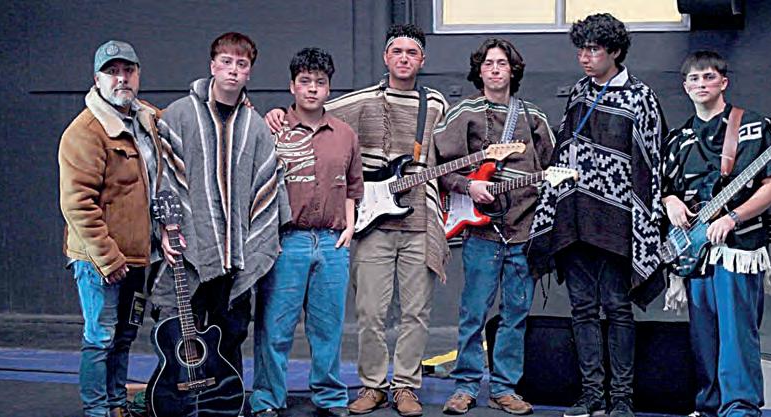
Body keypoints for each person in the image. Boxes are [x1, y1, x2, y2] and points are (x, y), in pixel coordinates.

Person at [265, 23, 449, 417]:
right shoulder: (361, 100)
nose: (403, 58)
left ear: (422, 60)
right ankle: (373, 385)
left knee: (416, 312)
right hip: (372, 223)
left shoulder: (435, 104)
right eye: (396, 51)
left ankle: (406, 386)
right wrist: (277, 113)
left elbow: (447, 153)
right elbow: (314, 111)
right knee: (370, 312)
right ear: (385, 57)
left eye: (412, 52)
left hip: (419, 221)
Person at [526, 13, 667, 417]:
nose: (585, 58)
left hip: (618, 223)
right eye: (581, 51)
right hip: (575, 219)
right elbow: (565, 150)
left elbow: (651, 163)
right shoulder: (578, 93)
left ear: (615, 51)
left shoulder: (640, 97)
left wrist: (645, 220)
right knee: (582, 309)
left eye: (593, 50)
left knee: (618, 309)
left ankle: (622, 398)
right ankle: (592, 395)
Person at [152, 32, 290, 379]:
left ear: (249, 73)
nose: (233, 70)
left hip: (235, 255)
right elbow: (162, 177)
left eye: (241, 64)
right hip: (190, 249)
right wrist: (167, 231)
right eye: (226, 62)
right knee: (180, 335)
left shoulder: (256, 127)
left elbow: (268, 189)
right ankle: (183, 400)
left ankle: (227, 400)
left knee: (230, 336)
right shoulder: (179, 115)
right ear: (212, 65)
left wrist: (260, 242)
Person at [434, 38, 556, 416]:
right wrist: (467, 186)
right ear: (480, 70)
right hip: (482, 233)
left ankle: (504, 388)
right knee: (473, 312)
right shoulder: (463, 113)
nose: (495, 69)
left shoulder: (533, 116)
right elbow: (440, 168)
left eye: (502, 63)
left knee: (515, 314)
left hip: (523, 231)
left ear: (513, 70)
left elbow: (550, 168)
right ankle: (466, 386)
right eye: (488, 63)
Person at [662, 50, 771, 417]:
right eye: (694, 78)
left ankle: (740, 407)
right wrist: (670, 200)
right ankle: (709, 405)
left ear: (723, 82)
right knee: (704, 335)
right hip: (694, 248)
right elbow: (665, 187)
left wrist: (732, 217)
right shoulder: (677, 138)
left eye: (709, 77)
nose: (701, 84)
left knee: (736, 333)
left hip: (738, 246)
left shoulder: (752, 125)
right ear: (685, 87)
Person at [249, 47, 364, 417]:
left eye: (320, 82)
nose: (312, 88)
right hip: (287, 242)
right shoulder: (274, 129)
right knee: (275, 328)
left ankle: (330, 397)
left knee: (327, 329)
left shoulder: (344, 134)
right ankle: (267, 398)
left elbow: (353, 186)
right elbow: (257, 186)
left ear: (329, 88)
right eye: (305, 81)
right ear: (292, 86)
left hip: (332, 243)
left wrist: (349, 226)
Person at [59, 40, 162, 417]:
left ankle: (117, 405)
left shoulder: (148, 119)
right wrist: (108, 258)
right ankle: (97, 410)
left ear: (138, 75)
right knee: (100, 338)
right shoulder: (84, 132)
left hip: (137, 257)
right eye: (112, 72)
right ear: (97, 79)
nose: (121, 78)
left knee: (124, 337)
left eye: (128, 71)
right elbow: (77, 204)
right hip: (98, 260)